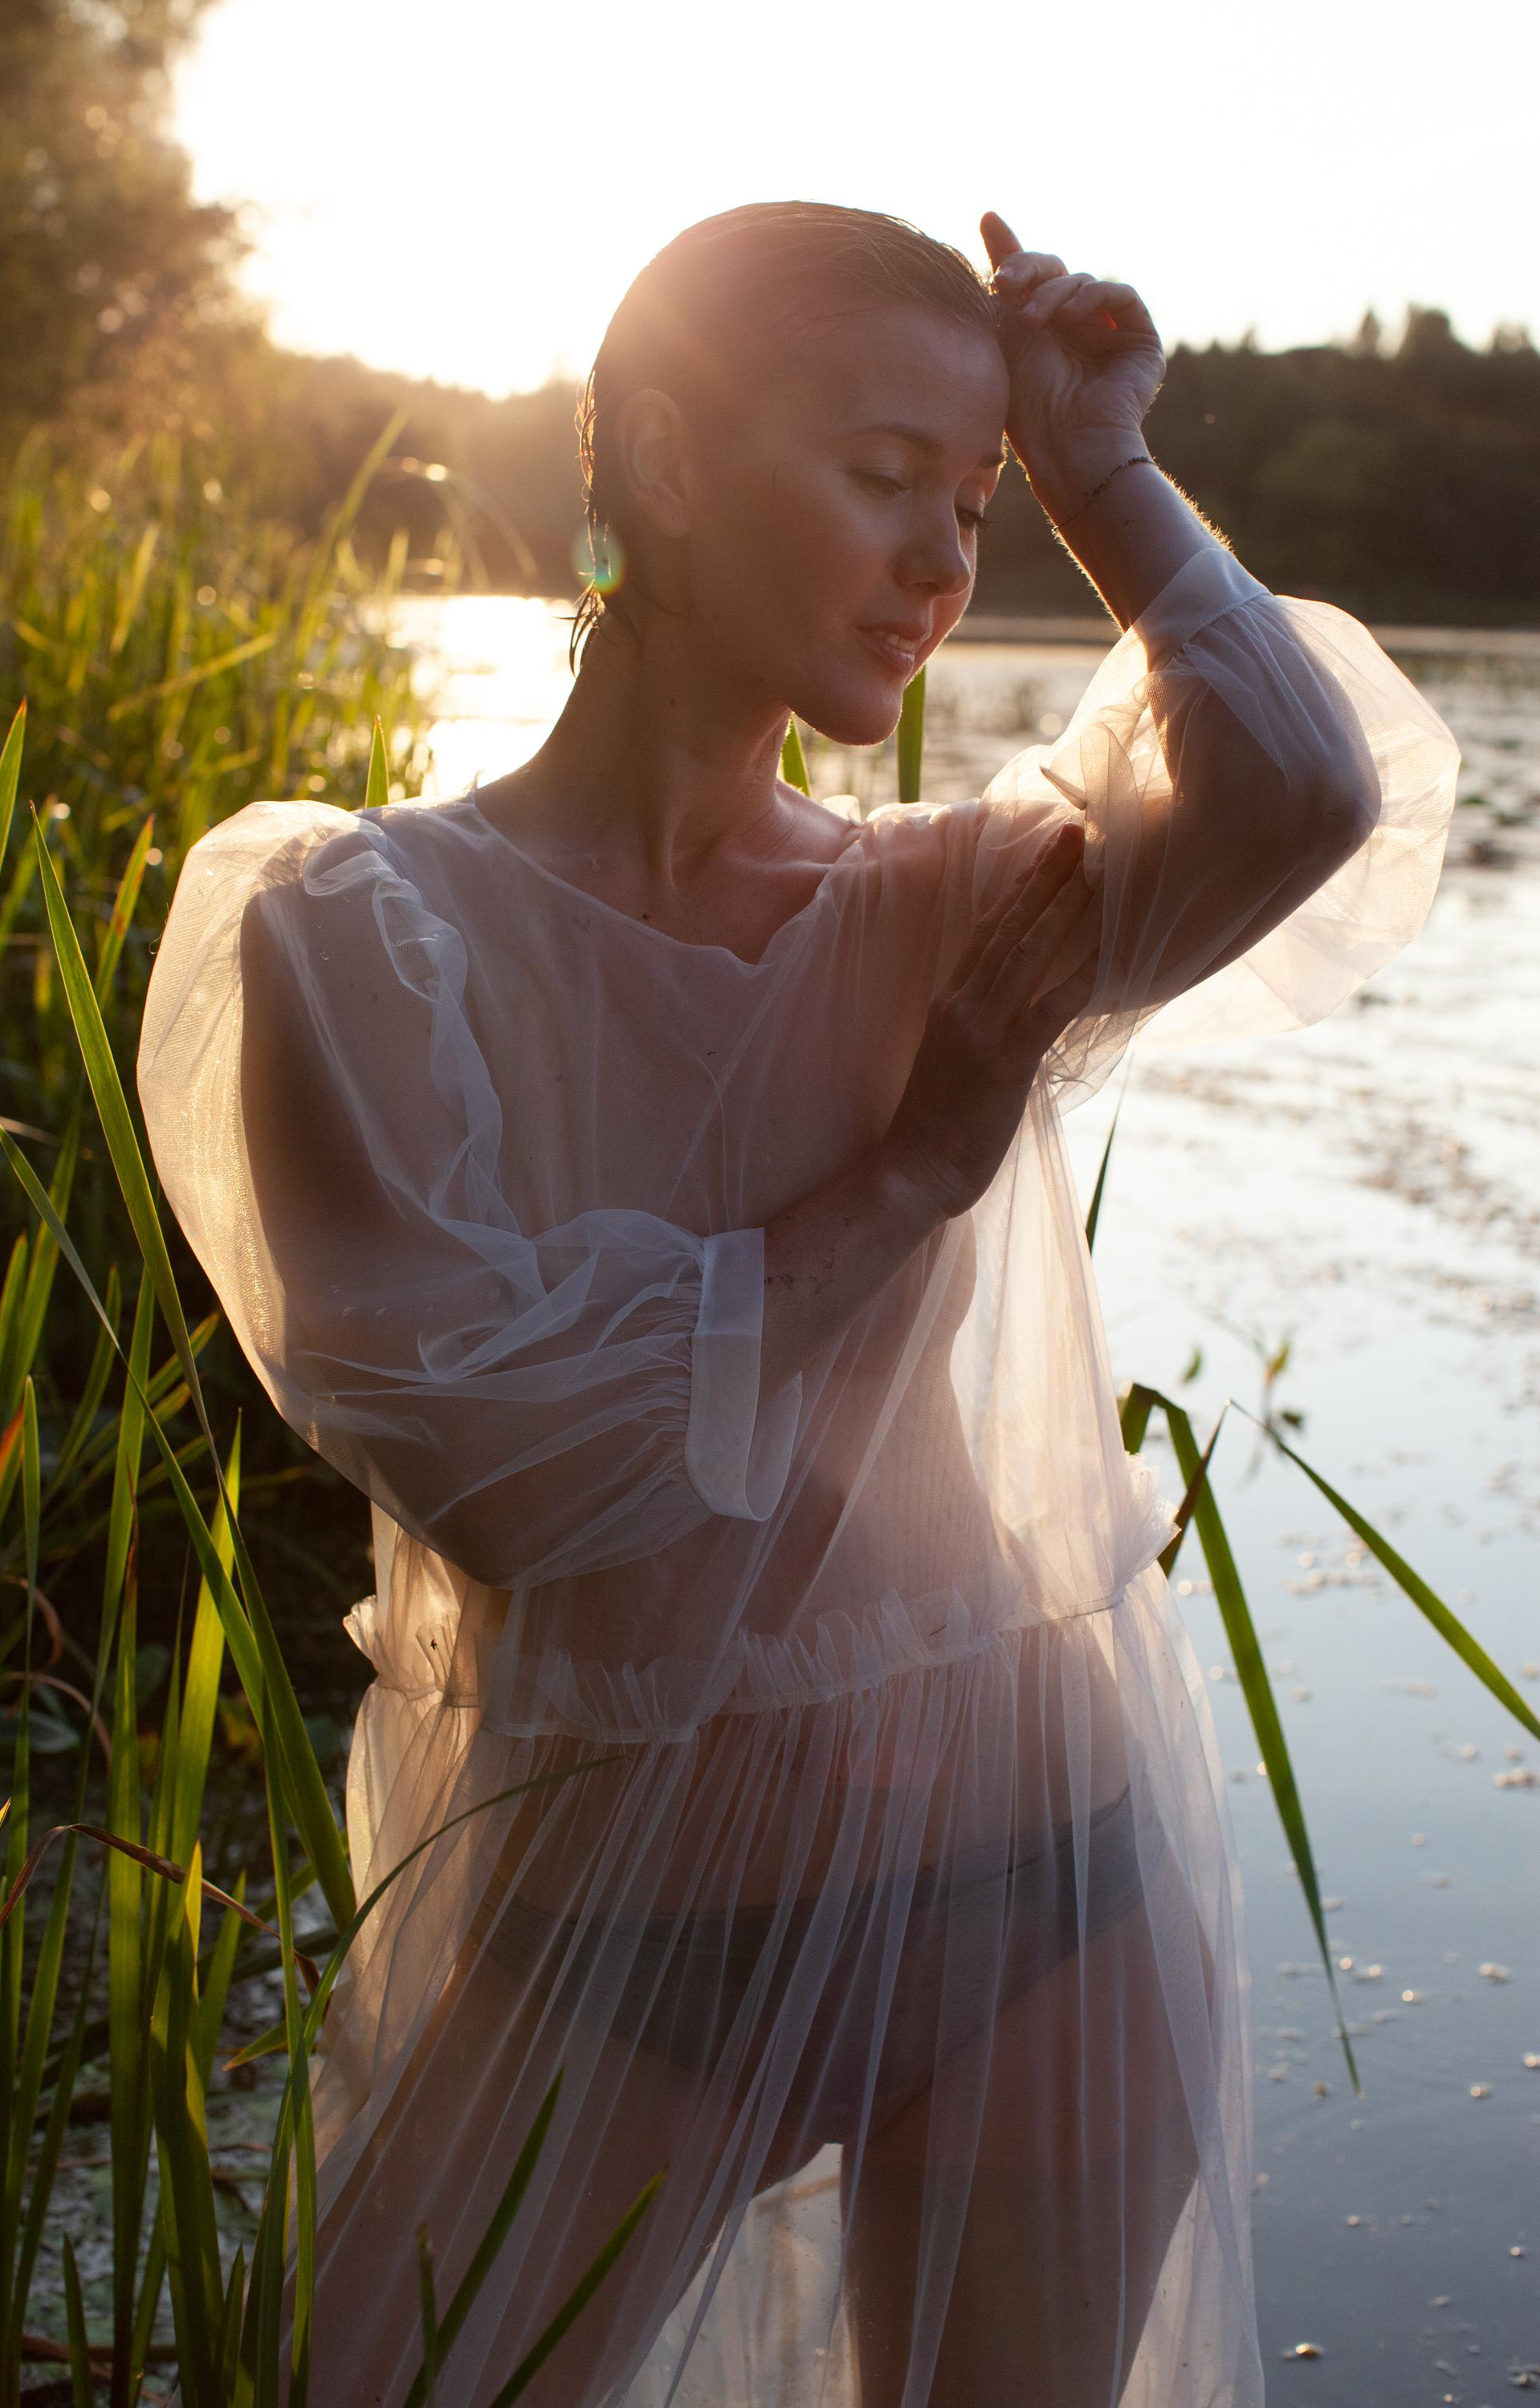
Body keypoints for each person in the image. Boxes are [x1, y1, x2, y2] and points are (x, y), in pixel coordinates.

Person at [136, 201, 1459, 2407]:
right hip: (621, 1926)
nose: (949, 565)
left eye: (972, 501)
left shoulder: (952, 899)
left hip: (1043, 1875)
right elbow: (516, 1475)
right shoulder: (370, 937)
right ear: (660, 459)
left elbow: (1311, 791)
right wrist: (910, 1174)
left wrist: (1102, 464)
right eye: (881, 473)